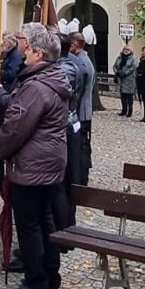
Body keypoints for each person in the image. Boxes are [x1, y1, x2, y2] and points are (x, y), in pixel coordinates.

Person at [0, 23, 71, 289]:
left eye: (29, 50)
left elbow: (16, 127)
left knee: (30, 223)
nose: (25, 55)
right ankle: (50, 274)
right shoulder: (52, 79)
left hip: (33, 165)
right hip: (50, 161)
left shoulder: (37, 86)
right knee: (45, 219)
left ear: (38, 53)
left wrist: (1, 151)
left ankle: (36, 280)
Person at [64, 33, 95, 187]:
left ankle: (81, 178)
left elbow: (79, 90)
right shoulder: (83, 60)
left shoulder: (81, 63)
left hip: (82, 112)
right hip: (83, 111)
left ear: (75, 45)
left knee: (82, 147)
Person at [113, 45, 138, 118]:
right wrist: (117, 72)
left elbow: (133, 67)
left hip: (129, 79)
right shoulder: (119, 58)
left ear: (130, 51)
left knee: (129, 96)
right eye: (125, 49)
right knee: (122, 96)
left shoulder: (133, 58)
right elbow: (114, 66)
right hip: (120, 79)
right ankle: (124, 110)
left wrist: (125, 73)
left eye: (128, 49)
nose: (126, 51)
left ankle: (130, 110)